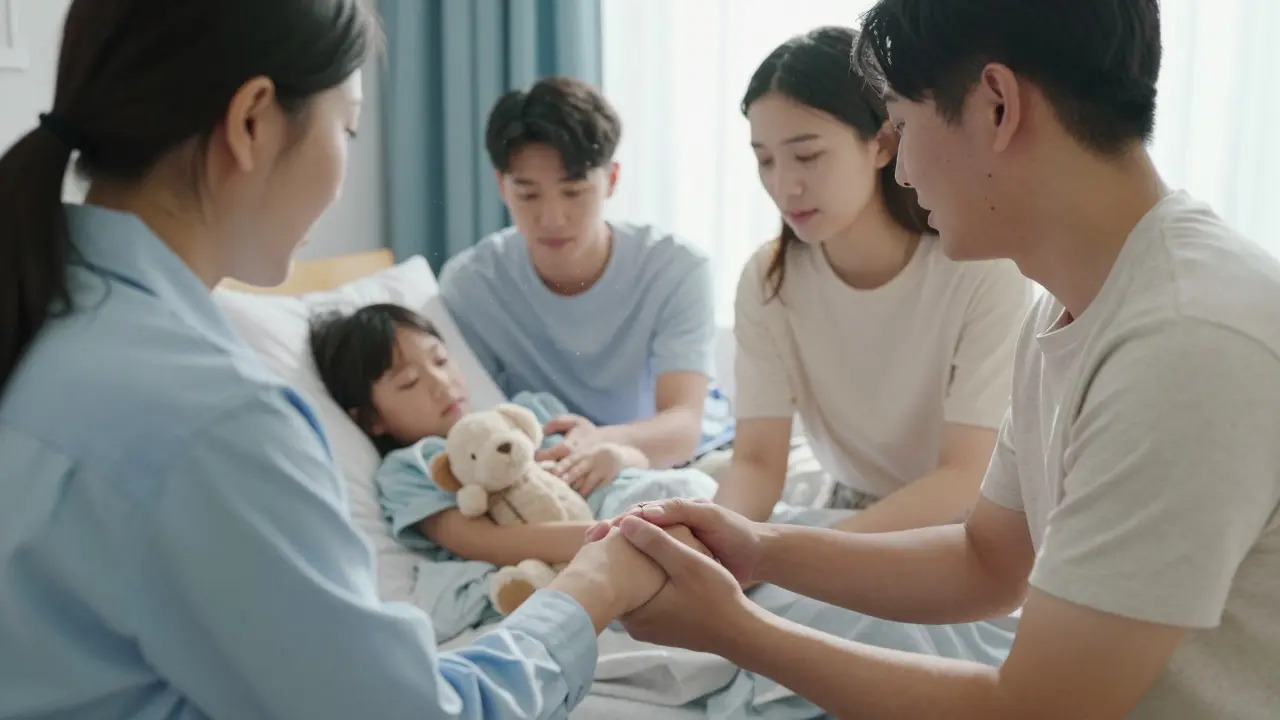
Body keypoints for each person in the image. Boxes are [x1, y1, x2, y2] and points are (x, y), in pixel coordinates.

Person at [0, 2, 698, 717]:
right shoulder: (215, 420)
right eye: (349, 127)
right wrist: (591, 590)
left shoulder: (44, 321)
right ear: (253, 123)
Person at [589, 1, 1280, 717]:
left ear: (996, 106)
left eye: (904, 125)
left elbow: (1036, 709)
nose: (906, 168)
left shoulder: (1187, 340)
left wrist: (734, 629)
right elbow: (986, 561)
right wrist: (757, 549)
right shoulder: (1073, 302)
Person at [716, 26, 1032, 532]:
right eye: (764, 160)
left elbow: (965, 474)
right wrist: (712, 540)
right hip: (850, 509)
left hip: (965, 524)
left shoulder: (978, 269)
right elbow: (755, 462)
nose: (783, 185)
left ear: (883, 142)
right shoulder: (767, 279)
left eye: (808, 155)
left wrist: (792, 557)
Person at [438, 76, 716, 478]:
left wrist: (602, 441)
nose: (552, 218)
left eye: (574, 192)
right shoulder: (470, 286)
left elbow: (683, 426)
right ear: (501, 185)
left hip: (659, 459)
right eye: (529, 194)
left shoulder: (675, 269)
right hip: (545, 470)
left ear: (612, 180)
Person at [308, 303, 715, 568]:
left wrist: (616, 455)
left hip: (641, 498)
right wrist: (615, 535)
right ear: (371, 420)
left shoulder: (528, 412)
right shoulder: (411, 469)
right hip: (599, 541)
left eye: (441, 360)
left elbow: (634, 461)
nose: (441, 383)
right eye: (410, 382)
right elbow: (483, 543)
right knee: (695, 548)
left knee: (705, 508)